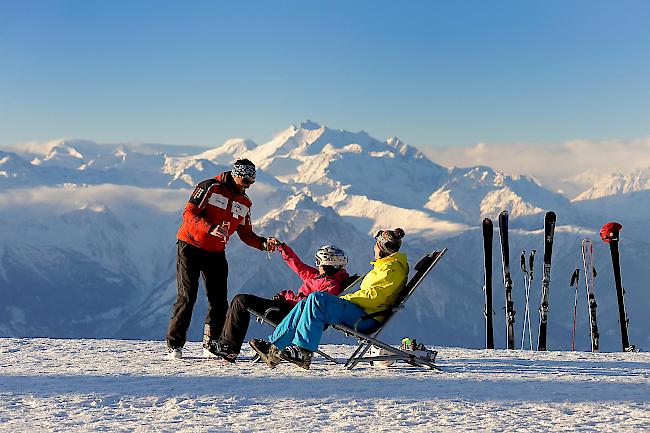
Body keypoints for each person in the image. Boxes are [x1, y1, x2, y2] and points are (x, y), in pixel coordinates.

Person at [166, 159, 278, 358]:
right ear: (235, 175)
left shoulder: (245, 203)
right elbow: (188, 213)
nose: (248, 185)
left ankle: (211, 342)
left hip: (216, 252)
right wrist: (210, 228)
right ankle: (175, 344)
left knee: (219, 301)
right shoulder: (209, 187)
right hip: (190, 246)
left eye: (251, 182)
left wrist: (262, 244)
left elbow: (245, 233)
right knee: (188, 296)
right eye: (245, 180)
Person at [250, 228, 408, 370]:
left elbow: (372, 297)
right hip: (363, 312)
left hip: (366, 317)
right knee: (306, 302)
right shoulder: (386, 266)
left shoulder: (391, 268)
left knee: (318, 298)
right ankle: (274, 349)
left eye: (376, 244)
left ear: (381, 247)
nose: (374, 247)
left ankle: (303, 352)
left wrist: (345, 299)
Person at [204, 243, 350, 362]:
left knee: (242, 301)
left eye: (318, 261)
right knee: (240, 300)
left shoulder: (331, 285)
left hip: (291, 314)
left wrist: (287, 296)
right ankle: (227, 347)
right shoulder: (317, 277)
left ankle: (229, 348)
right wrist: (281, 247)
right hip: (287, 308)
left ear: (325, 262)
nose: (317, 265)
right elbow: (297, 265)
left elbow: (312, 305)